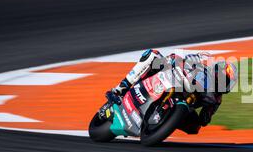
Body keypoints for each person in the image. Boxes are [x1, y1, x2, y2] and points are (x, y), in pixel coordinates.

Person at [100, 49, 237, 134]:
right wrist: (177, 63)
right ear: (217, 70)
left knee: (194, 128)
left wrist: (205, 116)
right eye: (224, 80)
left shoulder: (216, 100)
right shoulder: (205, 60)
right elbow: (187, 58)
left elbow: (204, 120)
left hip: (184, 101)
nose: (222, 85)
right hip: (174, 75)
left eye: (226, 85)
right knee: (152, 55)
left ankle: (164, 121)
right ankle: (120, 89)